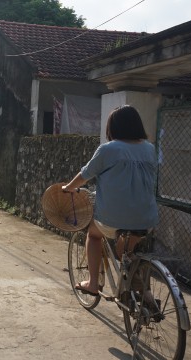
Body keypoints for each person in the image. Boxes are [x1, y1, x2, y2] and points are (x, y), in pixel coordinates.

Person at [62, 105, 158, 296]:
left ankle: (93, 283)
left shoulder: (108, 149)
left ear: (113, 128)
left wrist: (69, 188)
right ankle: (137, 284)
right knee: (125, 250)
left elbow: (85, 175)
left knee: (94, 234)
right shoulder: (149, 149)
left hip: (112, 219)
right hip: (146, 219)